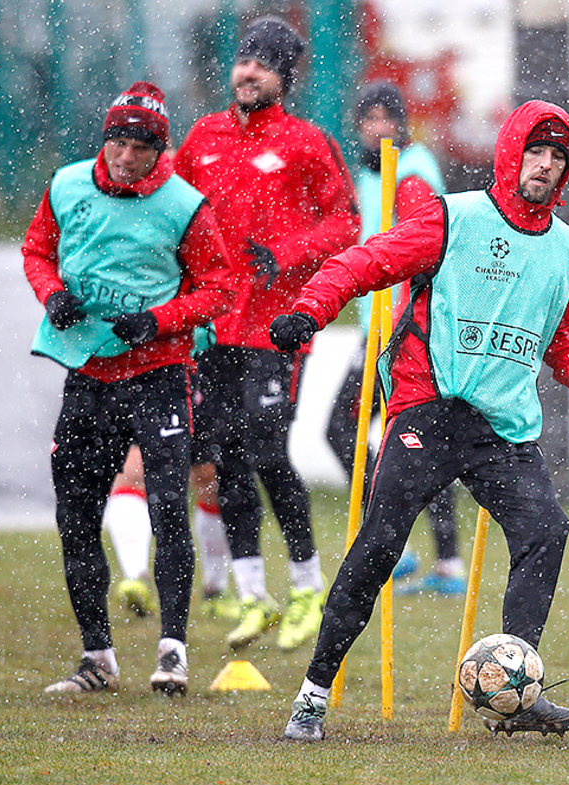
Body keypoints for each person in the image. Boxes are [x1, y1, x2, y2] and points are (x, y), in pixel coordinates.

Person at [269, 100, 569, 742]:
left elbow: (563, 348)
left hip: (501, 430)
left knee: (546, 532)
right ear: (511, 154)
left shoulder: (566, 251)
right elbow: (361, 263)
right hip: (427, 407)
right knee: (379, 544)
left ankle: (517, 691)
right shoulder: (455, 216)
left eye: (558, 157)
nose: (545, 165)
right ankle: (313, 695)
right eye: (536, 152)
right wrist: (310, 310)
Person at [24, 81, 233, 695]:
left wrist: (160, 320)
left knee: (169, 508)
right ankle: (98, 659)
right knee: (76, 516)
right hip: (88, 374)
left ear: (159, 151)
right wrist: (52, 295)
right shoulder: (65, 186)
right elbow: (37, 251)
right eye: (117, 138)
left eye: (140, 145)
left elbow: (219, 288)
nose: (124, 154)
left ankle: (173, 652)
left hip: (159, 374)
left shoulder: (184, 205)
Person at [172, 16, 360, 653]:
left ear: (285, 76)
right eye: (243, 59)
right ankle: (254, 594)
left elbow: (345, 225)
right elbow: (173, 207)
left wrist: (285, 251)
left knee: (268, 450)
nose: (247, 71)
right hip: (214, 327)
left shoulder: (308, 143)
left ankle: (308, 583)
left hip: (276, 330)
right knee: (221, 455)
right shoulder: (204, 138)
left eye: (263, 63)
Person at [325, 80, 464, 597]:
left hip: (400, 330)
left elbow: (418, 253)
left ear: (402, 124)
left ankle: (410, 551)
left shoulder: (410, 177)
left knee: (363, 430)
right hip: (379, 325)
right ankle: (423, 554)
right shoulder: (374, 172)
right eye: (368, 118)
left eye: (386, 118)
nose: (377, 128)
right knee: (415, 437)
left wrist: (400, 326)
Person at [102, 444, 235, 620]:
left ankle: (215, 590)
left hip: (192, 417)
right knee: (132, 469)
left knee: (208, 476)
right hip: (148, 416)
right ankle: (136, 579)